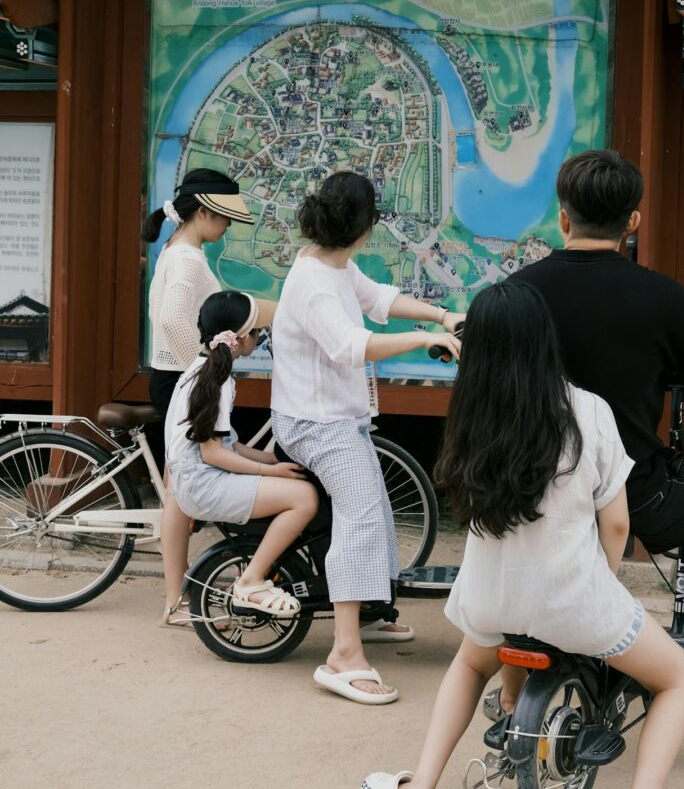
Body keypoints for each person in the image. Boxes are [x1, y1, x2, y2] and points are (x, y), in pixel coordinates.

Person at [361, 282, 684, 789]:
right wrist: (605, 590)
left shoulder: (473, 415)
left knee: (469, 664)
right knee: (678, 679)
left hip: (491, 599)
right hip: (575, 602)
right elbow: (617, 525)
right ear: (543, 340)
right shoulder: (589, 411)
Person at [513, 149, 684, 706]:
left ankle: (509, 688)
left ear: (562, 216)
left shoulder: (518, 290)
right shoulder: (660, 296)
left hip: (529, 482)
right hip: (631, 489)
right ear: (634, 221)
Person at [270, 171, 462, 705]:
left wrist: (442, 314)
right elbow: (351, 345)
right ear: (363, 225)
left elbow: (379, 298)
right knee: (359, 518)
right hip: (315, 423)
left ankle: (371, 611)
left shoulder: (332, 263)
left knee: (376, 508)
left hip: (336, 417)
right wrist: (428, 338)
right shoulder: (312, 279)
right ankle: (343, 655)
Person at [142, 167, 263, 625]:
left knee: (181, 487)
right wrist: (203, 365)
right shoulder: (189, 258)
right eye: (225, 218)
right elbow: (173, 320)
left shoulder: (179, 248)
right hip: (179, 376)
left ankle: (178, 595)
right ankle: (175, 601)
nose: (228, 227)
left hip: (174, 374)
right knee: (180, 492)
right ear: (206, 212)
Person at [165, 290, 318, 615]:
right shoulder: (219, 382)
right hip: (204, 483)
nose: (261, 338)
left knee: (297, 484)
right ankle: (250, 581)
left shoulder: (200, 368)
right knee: (304, 497)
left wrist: (274, 460)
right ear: (241, 338)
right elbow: (213, 454)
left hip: (195, 481)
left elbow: (228, 444)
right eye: (258, 332)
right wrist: (272, 471)